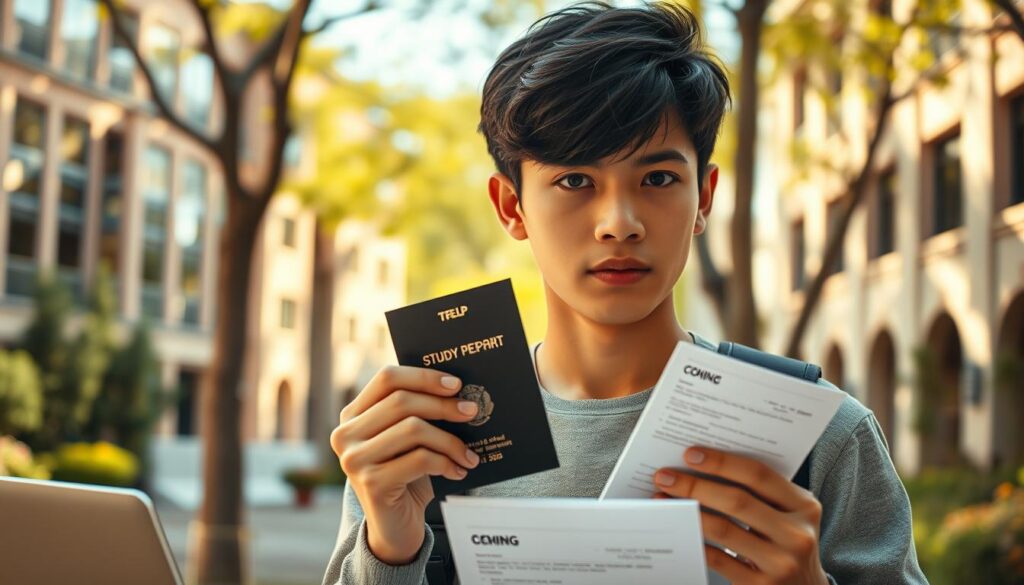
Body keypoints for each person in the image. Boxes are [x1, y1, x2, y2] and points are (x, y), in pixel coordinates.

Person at [322, 2, 928, 584]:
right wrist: (389, 551)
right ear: (513, 206)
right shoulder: (420, 440)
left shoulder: (820, 434)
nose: (620, 222)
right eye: (575, 180)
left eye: (658, 178)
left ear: (705, 198)